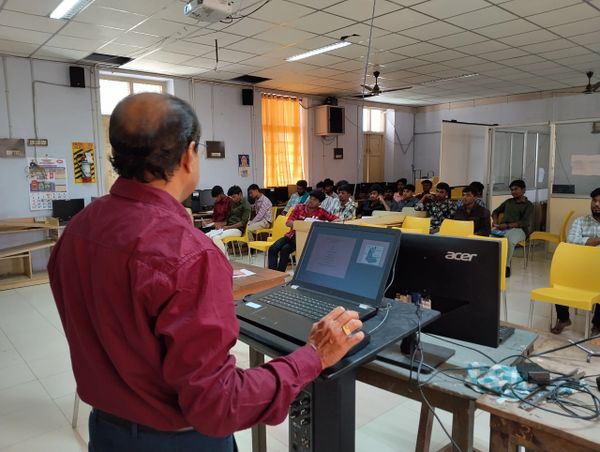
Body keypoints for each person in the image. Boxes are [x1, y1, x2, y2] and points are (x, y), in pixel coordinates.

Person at [48, 93, 364, 452]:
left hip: (107, 432)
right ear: (188, 154)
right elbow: (219, 404)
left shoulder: (78, 230)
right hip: (178, 442)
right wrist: (313, 356)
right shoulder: (188, 254)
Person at [551, 187, 600, 335]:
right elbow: (572, 240)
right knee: (559, 279)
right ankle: (564, 318)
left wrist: (585, 242)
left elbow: (578, 241)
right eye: (594, 200)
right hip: (579, 267)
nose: (596, 204)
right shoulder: (581, 221)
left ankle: (597, 324)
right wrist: (597, 240)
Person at [268, 190, 337, 272]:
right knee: (273, 248)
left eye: (314, 200)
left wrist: (324, 223)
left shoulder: (321, 212)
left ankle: (279, 274)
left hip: (304, 239)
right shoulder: (299, 207)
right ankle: (273, 273)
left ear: (319, 203)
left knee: (285, 250)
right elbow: (288, 222)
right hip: (291, 235)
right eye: (311, 198)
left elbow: (336, 219)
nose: (311, 201)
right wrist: (303, 223)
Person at [492, 179, 533, 277]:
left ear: (523, 190)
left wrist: (508, 226)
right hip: (503, 228)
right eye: (511, 190)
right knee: (489, 237)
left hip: (520, 230)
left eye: (516, 189)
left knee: (509, 241)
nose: (513, 192)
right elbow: (495, 211)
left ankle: (506, 266)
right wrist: (495, 221)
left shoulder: (528, 205)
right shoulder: (508, 202)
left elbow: (525, 222)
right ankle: (492, 264)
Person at [206, 185, 251, 255]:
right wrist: (222, 224)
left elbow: (243, 223)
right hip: (228, 227)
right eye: (231, 197)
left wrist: (228, 227)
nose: (232, 199)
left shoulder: (246, 205)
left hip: (237, 229)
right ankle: (212, 256)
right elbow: (228, 218)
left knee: (216, 238)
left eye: (234, 197)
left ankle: (223, 259)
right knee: (206, 236)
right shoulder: (234, 204)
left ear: (240, 194)